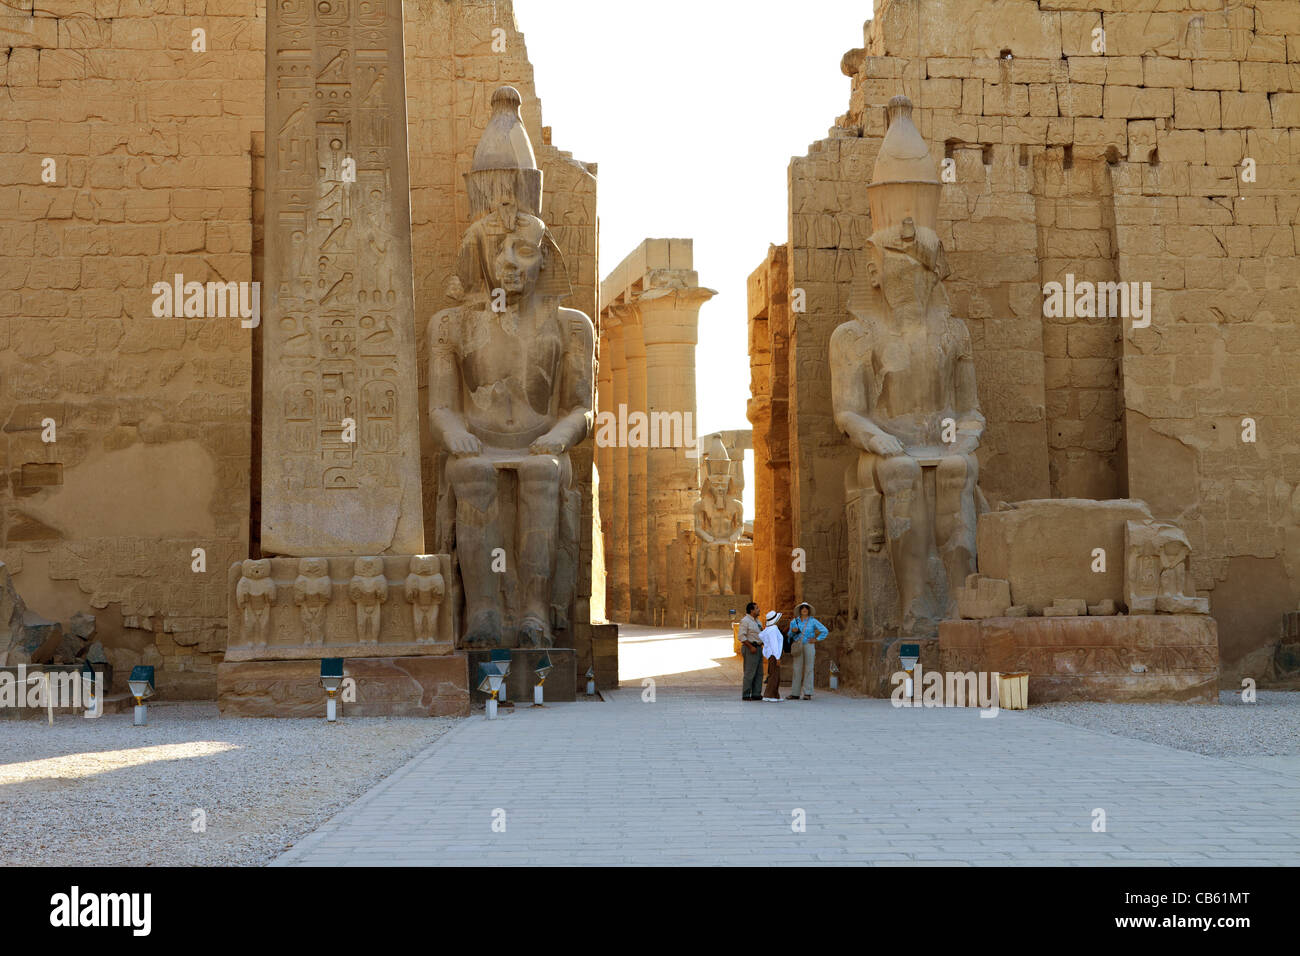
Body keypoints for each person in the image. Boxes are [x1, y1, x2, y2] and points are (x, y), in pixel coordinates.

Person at [786, 602, 828, 700]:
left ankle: (807, 693)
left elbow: (825, 630)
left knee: (809, 668)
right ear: (800, 610)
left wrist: (816, 639)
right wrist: (792, 632)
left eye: (806, 608)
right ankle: (795, 693)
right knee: (797, 669)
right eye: (802, 608)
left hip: (809, 645)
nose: (804, 609)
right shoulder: (794, 622)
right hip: (798, 645)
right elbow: (789, 636)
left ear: (808, 610)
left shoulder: (813, 621)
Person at [738, 602, 764, 701]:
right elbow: (741, 636)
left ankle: (756, 693)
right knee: (749, 672)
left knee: (759, 672)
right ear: (752, 610)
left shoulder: (758, 621)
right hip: (750, 648)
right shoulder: (745, 621)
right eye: (757, 608)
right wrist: (750, 647)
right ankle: (746, 694)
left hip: (758, 648)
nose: (759, 610)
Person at [760, 610, 784, 702]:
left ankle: (775, 695)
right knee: (774, 675)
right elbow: (774, 644)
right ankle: (769, 695)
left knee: (775, 675)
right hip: (774, 655)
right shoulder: (773, 629)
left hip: (772, 655)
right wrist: (777, 657)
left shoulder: (770, 629)